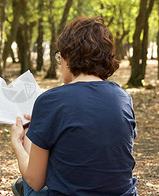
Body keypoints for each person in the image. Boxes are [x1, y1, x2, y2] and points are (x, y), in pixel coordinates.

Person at [11, 16, 137, 196]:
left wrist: (17, 143)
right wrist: (37, 130)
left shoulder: (51, 100)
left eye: (59, 56)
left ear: (68, 57)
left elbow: (36, 180)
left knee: (24, 185)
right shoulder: (123, 97)